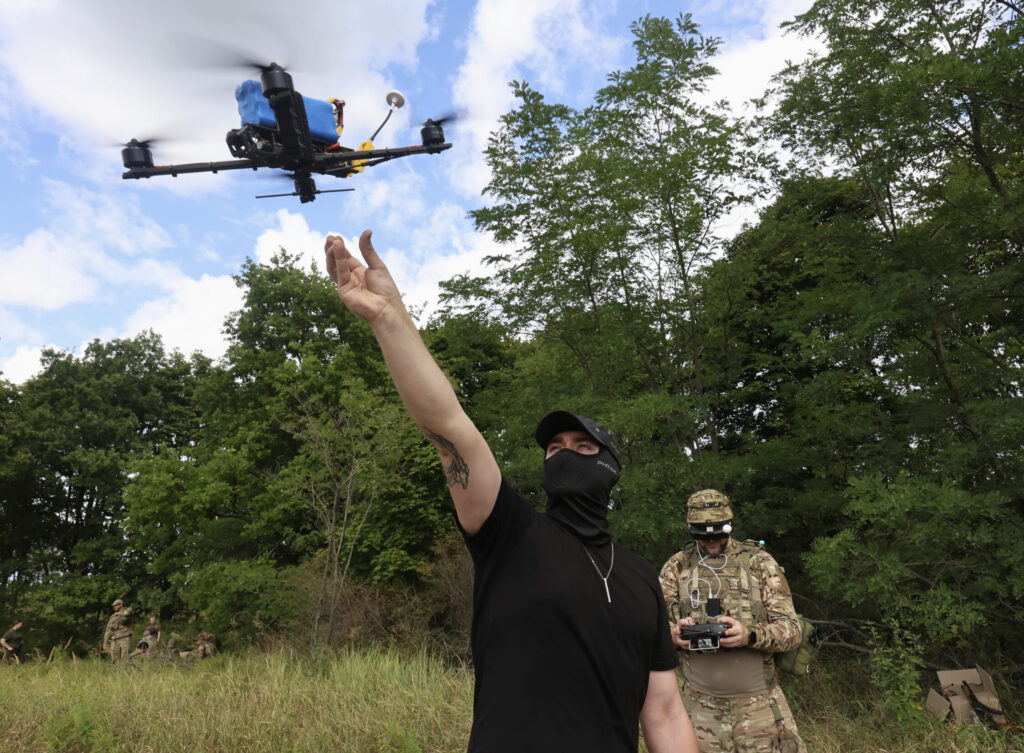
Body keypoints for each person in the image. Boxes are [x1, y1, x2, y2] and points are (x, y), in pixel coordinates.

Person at [325, 230, 698, 753]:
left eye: (583, 446)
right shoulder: (509, 533)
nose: (565, 453)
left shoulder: (642, 577)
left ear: (612, 468)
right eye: (554, 448)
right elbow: (448, 426)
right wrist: (390, 318)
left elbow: (664, 711)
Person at [659, 490, 805, 753]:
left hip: (759, 711)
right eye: (703, 535)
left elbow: (792, 631)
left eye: (718, 533)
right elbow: (651, 632)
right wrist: (673, 635)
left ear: (729, 525)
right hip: (699, 713)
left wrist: (749, 635)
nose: (711, 541)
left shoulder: (759, 562)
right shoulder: (677, 567)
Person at [102, 598, 134, 663]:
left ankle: (127, 669)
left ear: (121, 605)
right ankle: (116, 669)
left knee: (125, 657)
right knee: (114, 658)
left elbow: (129, 612)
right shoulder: (113, 616)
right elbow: (108, 630)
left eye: (116, 605)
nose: (114, 607)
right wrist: (105, 642)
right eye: (114, 606)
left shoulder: (127, 611)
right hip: (115, 638)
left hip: (124, 637)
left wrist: (120, 614)